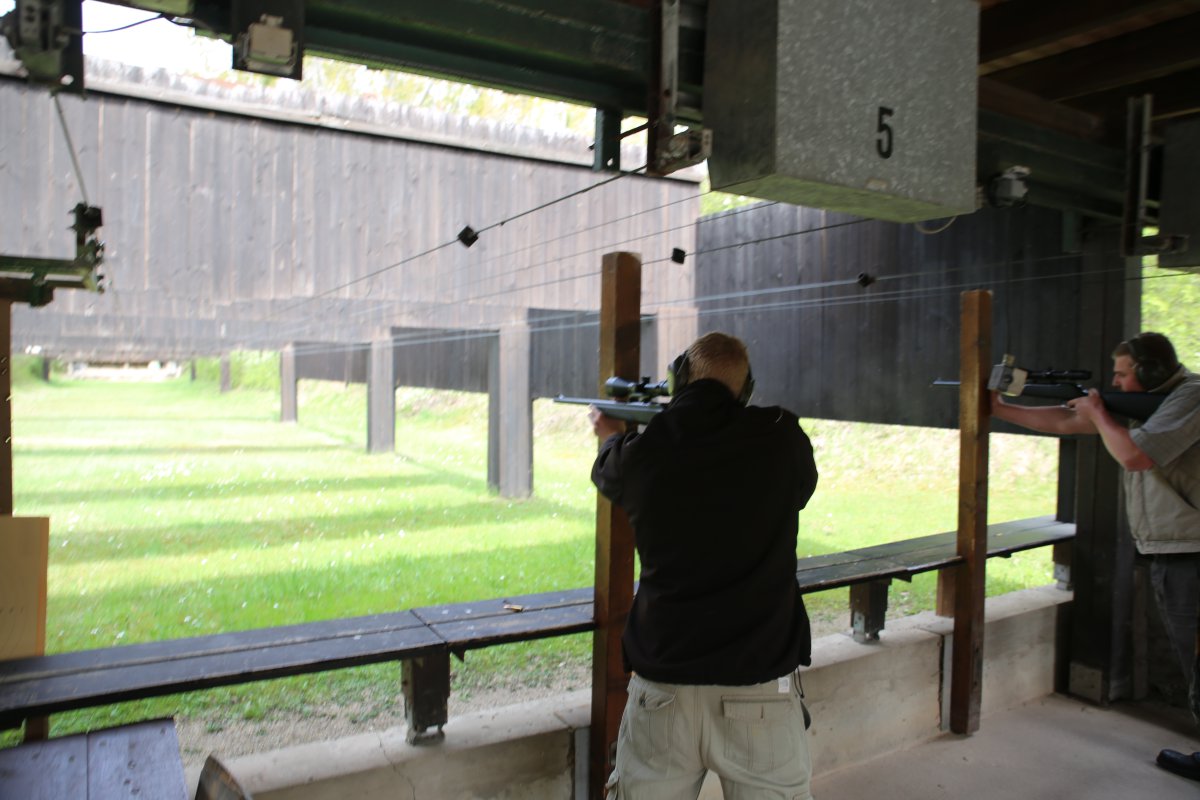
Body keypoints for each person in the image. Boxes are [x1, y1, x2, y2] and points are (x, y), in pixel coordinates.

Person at [588, 331, 819, 800]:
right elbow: (801, 487)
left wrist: (612, 434)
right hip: (760, 687)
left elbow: (609, 469)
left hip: (664, 688)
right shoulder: (783, 439)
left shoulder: (645, 452)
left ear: (679, 378)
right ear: (746, 387)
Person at [991, 331, 1200, 780]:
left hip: (1192, 552)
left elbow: (1135, 455)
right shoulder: (1156, 405)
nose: (1116, 382)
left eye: (1122, 374)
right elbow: (1069, 422)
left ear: (1150, 372)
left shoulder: (1192, 396)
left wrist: (1099, 413)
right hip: (1177, 549)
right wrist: (1001, 409)